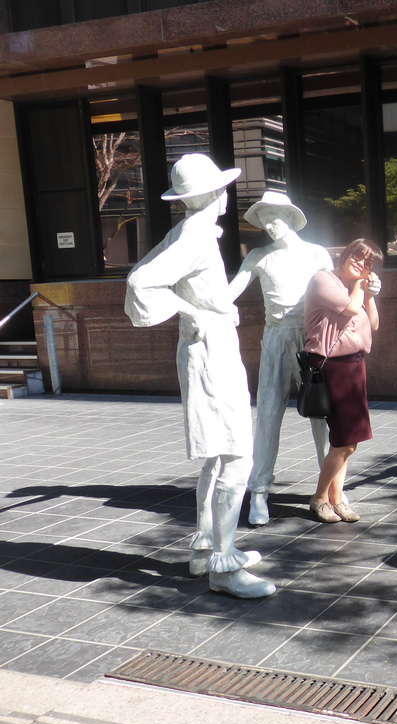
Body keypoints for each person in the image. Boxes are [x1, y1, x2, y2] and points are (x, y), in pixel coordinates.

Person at [124, 153, 274, 599]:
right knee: (236, 454)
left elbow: (141, 276)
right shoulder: (193, 235)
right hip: (210, 349)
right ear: (210, 193)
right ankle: (224, 567)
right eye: (221, 187)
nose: (226, 193)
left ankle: (206, 544)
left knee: (217, 451)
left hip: (207, 347)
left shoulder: (188, 232)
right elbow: (141, 283)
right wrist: (193, 312)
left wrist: (192, 313)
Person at [226, 191, 333, 526]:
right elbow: (231, 292)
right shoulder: (258, 256)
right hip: (275, 338)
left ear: (289, 216)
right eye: (264, 219)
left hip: (312, 337)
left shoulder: (317, 254)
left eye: (274, 216)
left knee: (323, 414)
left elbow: (337, 295)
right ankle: (259, 491)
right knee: (270, 412)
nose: (269, 224)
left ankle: (331, 487)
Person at [304, 238, 382, 523]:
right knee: (344, 441)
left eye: (368, 262)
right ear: (346, 254)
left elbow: (373, 324)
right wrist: (361, 287)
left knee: (348, 440)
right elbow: (350, 309)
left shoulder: (356, 290)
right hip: (332, 365)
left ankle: (337, 498)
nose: (361, 263)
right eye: (357, 256)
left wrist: (370, 295)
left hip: (354, 365)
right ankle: (319, 498)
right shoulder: (323, 280)